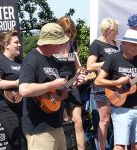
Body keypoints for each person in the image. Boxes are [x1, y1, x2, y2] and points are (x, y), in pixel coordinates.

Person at [19, 23, 85, 150]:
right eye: (60, 42)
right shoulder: (32, 59)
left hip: (56, 124)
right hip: (39, 129)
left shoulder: (52, 60)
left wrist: (73, 84)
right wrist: (52, 84)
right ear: (49, 43)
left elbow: (59, 89)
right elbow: (24, 89)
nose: (63, 45)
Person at [94, 28, 137, 150]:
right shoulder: (113, 58)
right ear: (124, 43)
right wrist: (116, 82)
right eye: (133, 44)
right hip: (121, 109)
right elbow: (97, 81)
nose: (136, 47)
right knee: (120, 146)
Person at [0, 30, 27, 150]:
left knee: (21, 143)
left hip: (24, 107)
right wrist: (16, 83)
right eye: (16, 42)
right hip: (7, 109)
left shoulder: (22, 61)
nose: (19, 44)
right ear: (6, 45)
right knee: (19, 143)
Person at [86, 17, 120, 150]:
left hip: (115, 87)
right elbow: (90, 65)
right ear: (108, 31)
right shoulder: (97, 44)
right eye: (115, 31)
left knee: (115, 122)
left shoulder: (114, 43)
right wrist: (109, 62)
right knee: (104, 121)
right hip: (101, 88)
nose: (117, 33)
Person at [53, 16, 85, 150]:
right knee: (64, 121)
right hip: (56, 88)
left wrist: (82, 75)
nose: (68, 34)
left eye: (70, 31)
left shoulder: (73, 44)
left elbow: (78, 67)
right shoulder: (53, 44)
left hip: (72, 86)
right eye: (65, 31)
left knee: (78, 121)